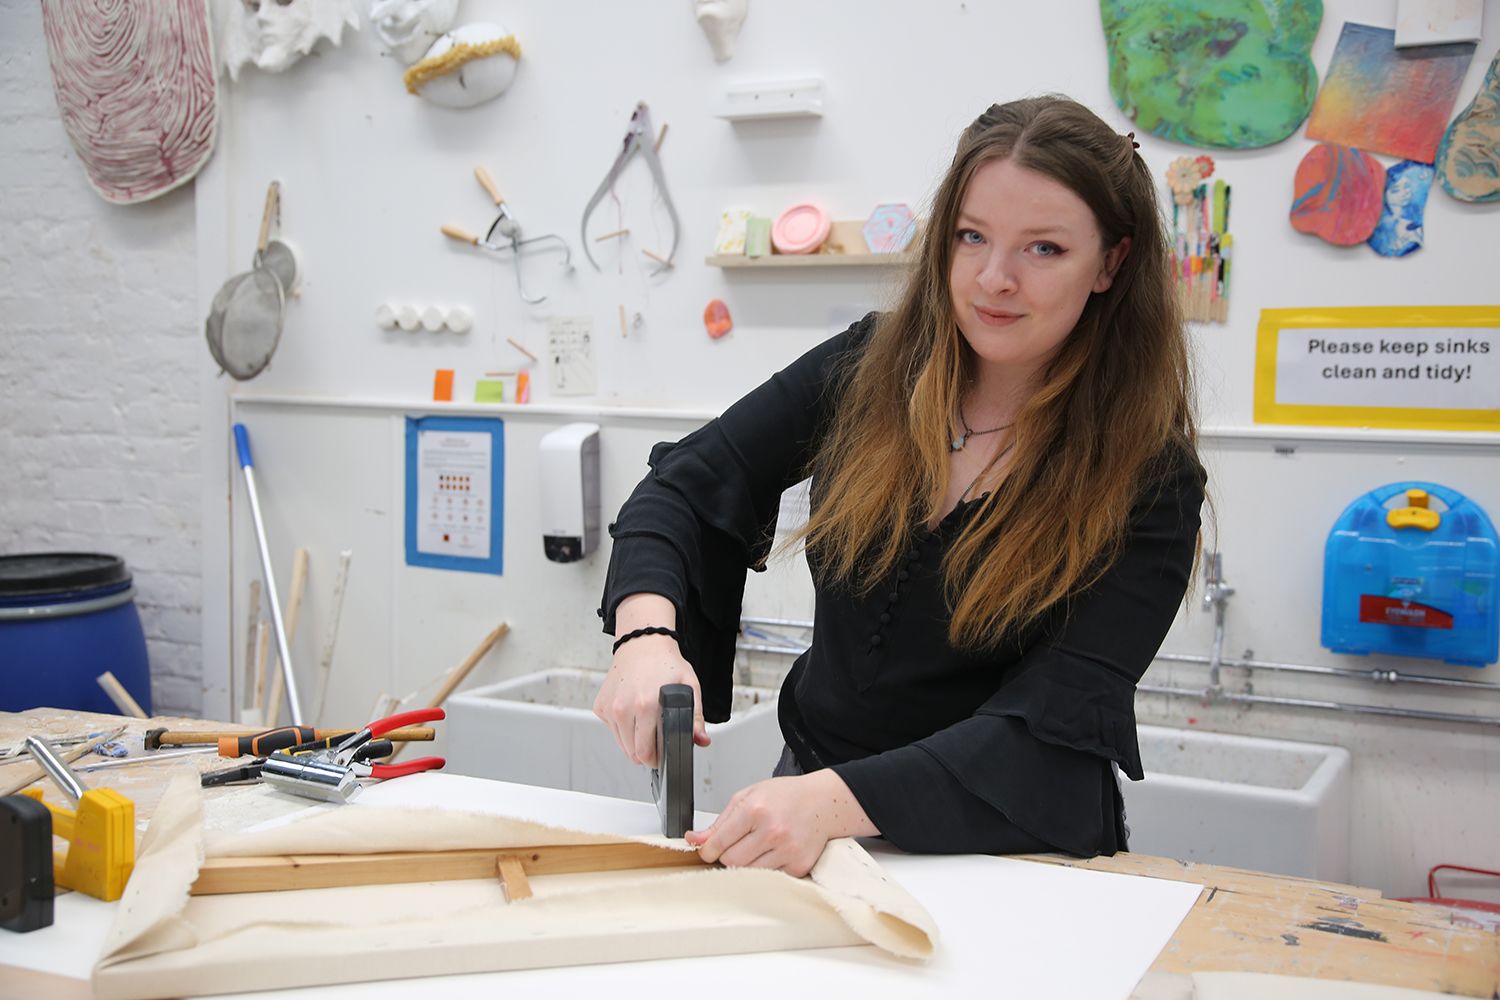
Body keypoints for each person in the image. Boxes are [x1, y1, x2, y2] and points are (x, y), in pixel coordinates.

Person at [594, 95, 1205, 877]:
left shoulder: (1149, 476)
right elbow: (685, 485)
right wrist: (644, 639)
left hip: (1005, 848)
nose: (994, 278)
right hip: (807, 815)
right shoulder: (872, 369)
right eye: (971, 236)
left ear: (1111, 264)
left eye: (1043, 249)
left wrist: (826, 804)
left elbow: (1046, 731)